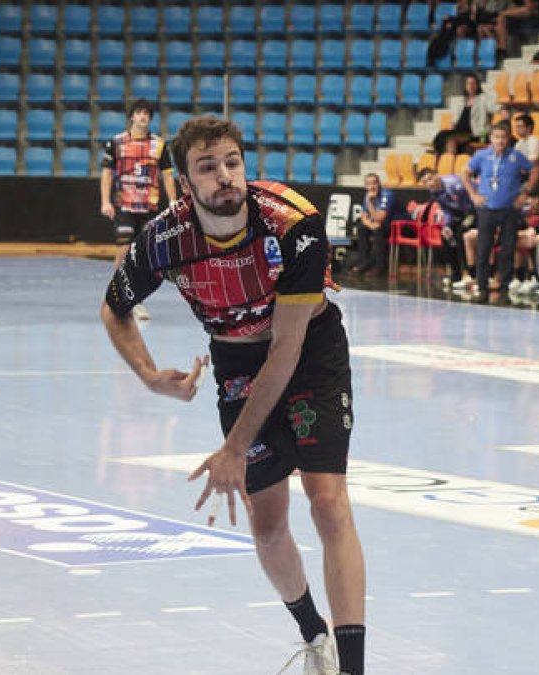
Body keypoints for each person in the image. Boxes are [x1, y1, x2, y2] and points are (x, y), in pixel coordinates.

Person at [99, 117, 367, 673]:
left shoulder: (294, 224)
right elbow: (114, 308)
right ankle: (314, 634)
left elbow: (286, 352)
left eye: (232, 162)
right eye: (206, 167)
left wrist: (234, 448)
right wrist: (150, 376)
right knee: (266, 522)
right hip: (236, 360)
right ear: (184, 183)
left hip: (309, 348)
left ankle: (353, 668)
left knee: (327, 499)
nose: (224, 176)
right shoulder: (164, 240)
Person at [100, 99, 178, 320]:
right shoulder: (116, 142)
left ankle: (136, 300)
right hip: (124, 205)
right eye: (139, 113)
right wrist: (105, 201)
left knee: (143, 254)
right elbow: (107, 173)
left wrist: (173, 201)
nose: (143, 117)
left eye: (147, 114)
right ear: (132, 116)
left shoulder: (159, 145)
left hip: (149, 207)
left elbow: (167, 175)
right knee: (123, 249)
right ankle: (116, 295)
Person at [463, 121, 536, 302]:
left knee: (508, 249)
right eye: (496, 137)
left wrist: (524, 194)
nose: (500, 141)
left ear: (508, 139)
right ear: (491, 139)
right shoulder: (481, 155)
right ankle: (482, 286)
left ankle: (504, 287)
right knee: (484, 248)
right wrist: (473, 194)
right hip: (487, 209)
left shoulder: (516, 156)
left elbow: (534, 170)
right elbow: (464, 173)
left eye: (503, 137)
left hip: (509, 209)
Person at [417, 167, 475, 288]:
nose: (429, 183)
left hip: (474, 212)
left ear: (436, 175)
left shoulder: (454, 183)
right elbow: (446, 210)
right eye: (425, 182)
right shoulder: (434, 192)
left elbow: (473, 196)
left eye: (430, 178)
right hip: (458, 216)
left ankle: (468, 274)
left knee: (460, 235)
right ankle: (456, 275)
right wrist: (447, 225)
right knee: (446, 237)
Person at [433, 73, 497, 154]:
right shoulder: (462, 101)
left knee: (450, 138)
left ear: (477, 85)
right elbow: (456, 119)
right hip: (459, 131)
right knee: (441, 134)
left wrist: (502, 109)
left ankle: (450, 157)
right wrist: (453, 124)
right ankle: (441, 157)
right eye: (468, 83)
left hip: (475, 133)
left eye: (473, 83)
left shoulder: (483, 99)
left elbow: (494, 107)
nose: (470, 86)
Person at [351, 173, 396, 278]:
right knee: (362, 229)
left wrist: (369, 202)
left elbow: (379, 218)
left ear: (379, 183)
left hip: (397, 226)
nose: (372, 186)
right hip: (380, 225)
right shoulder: (369, 195)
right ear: (365, 186)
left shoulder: (387, 195)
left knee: (378, 231)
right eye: (369, 184)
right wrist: (371, 225)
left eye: (374, 183)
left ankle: (380, 267)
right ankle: (364, 262)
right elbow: (364, 217)